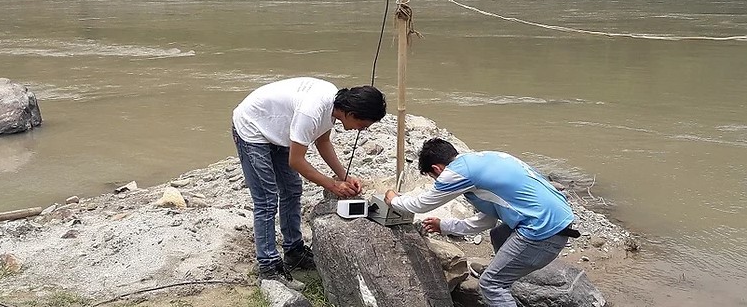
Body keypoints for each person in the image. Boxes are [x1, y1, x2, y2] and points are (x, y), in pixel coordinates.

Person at [232, 77, 386, 290]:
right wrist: (332, 185)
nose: (361, 130)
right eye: (362, 125)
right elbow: (296, 161)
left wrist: (343, 176)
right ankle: (268, 267)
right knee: (267, 199)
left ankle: (294, 251)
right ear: (351, 114)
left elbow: (323, 141)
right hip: (253, 126)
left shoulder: (333, 105)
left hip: (278, 129)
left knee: (292, 190)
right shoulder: (312, 112)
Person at [384, 138, 578, 307]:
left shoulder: (455, 173)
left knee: (490, 284)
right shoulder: (481, 160)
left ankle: (500, 283)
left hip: (541, 230)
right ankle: (505, 278)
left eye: (433, 177)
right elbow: (487, 221)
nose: (437, 181)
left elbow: (421, 204)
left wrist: (393, 200)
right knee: (498, 235)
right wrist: (444, 226)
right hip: (558, 218)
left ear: (437, 169)